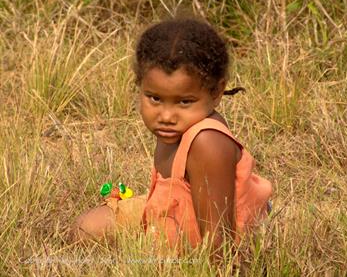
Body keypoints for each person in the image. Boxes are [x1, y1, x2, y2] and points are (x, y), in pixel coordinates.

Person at [70, 18, 272, 257]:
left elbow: (220, 242)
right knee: (85, 229)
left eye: (184, 101)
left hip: (205, 236)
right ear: (140, 86)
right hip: (172, 215)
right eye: (154, 98)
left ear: (217, 92)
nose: (166, 116)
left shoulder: (207, 142)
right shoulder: (177, 125)